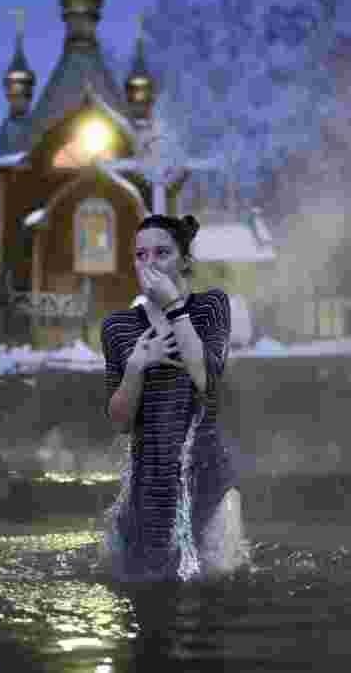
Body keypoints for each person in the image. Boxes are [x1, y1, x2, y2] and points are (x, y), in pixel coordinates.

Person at [101, 214, 247, 582]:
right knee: (139, 599)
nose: (149, 263)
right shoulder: (118, 327)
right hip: (147, 493)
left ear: (184, 260)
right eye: (140, 255)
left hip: (209, 482)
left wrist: (174, 308)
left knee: (218, 591)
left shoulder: (210, 307)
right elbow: (120, 421)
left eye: (162, 253)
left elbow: (207, 380)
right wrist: (136, 366)